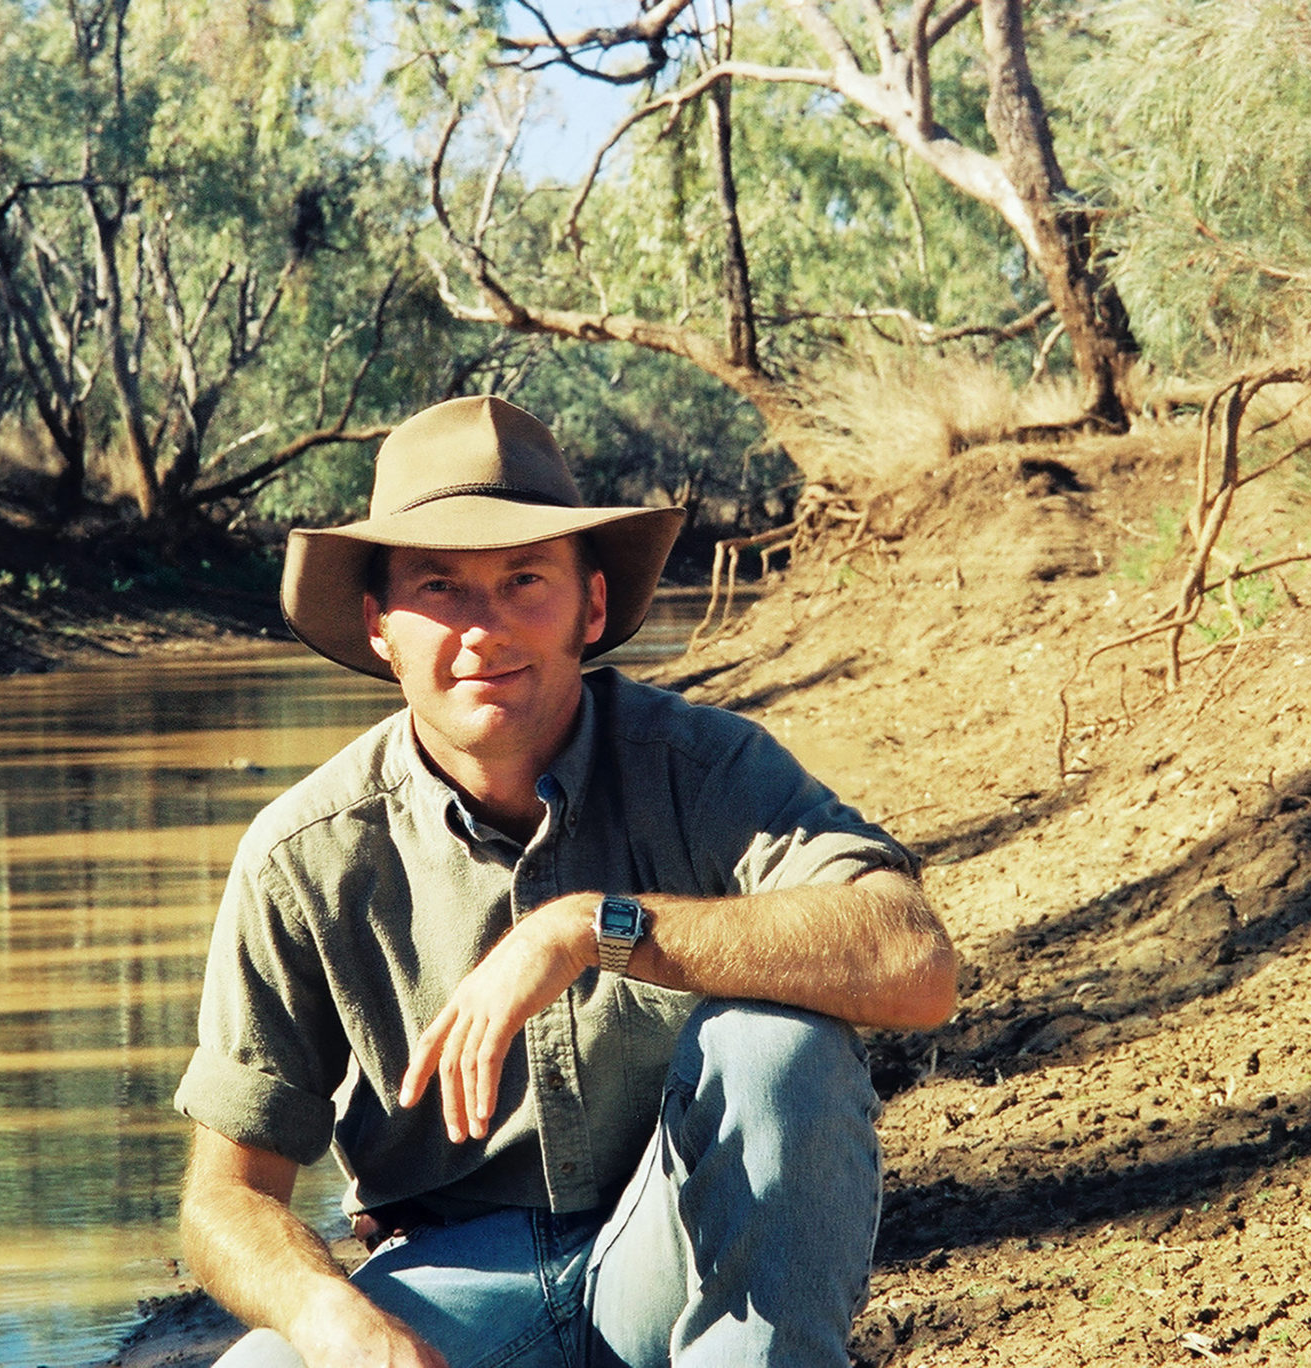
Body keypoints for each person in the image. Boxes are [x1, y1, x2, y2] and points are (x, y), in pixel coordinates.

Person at [173, 395, 958, 1368]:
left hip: (675, 1249)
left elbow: (914, 961)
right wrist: (332, 1318)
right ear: (380, 626)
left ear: (590, 606)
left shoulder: (701, 770)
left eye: (522, 579)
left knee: (775, 1042)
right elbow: (225, 1199)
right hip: (454, 1287)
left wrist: (594, 929)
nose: (485, 630)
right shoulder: (303, 853)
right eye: (438, 586)